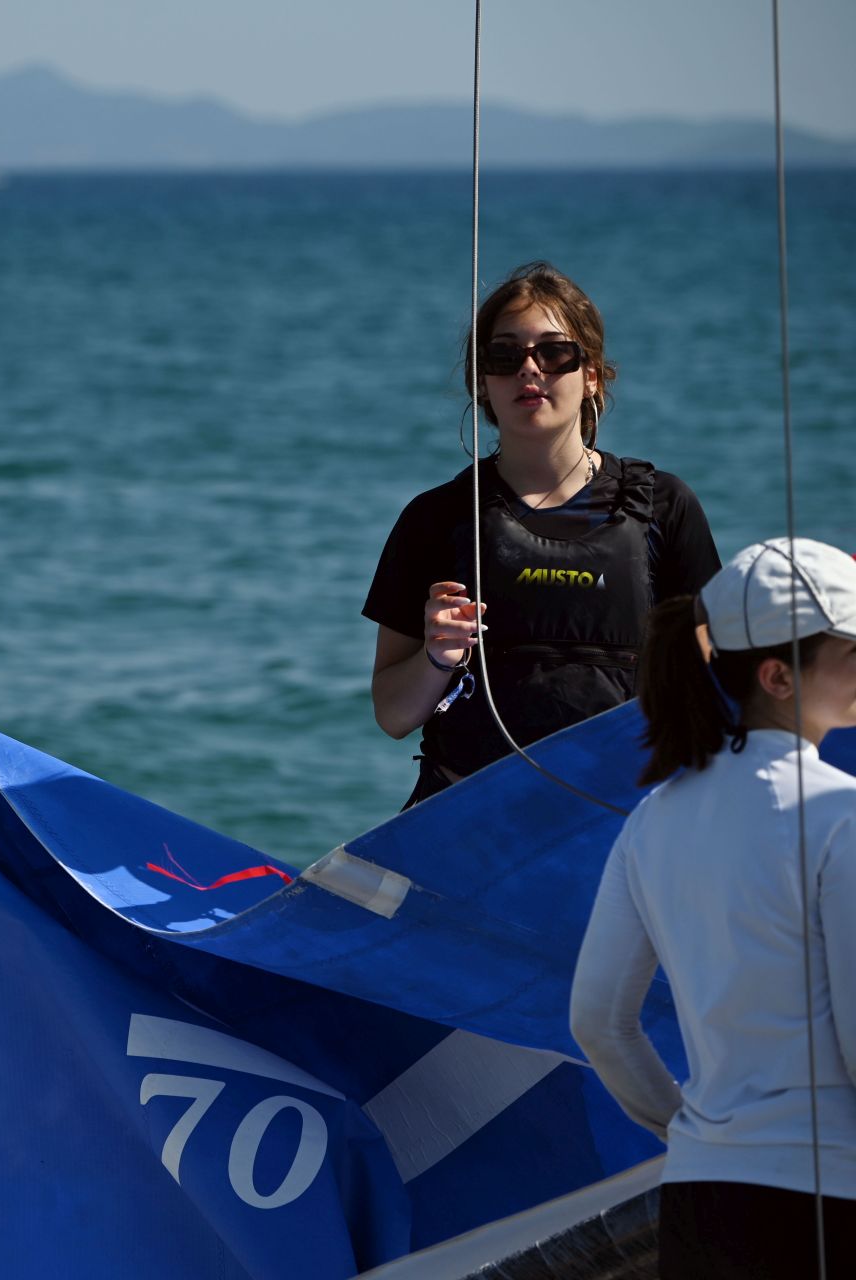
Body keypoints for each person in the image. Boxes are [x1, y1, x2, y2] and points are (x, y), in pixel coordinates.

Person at [570, 537, 856, 1277]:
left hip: (700, 1203)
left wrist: (698, 1131)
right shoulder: (842, 817)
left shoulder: (654, 817)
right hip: (829, 1204)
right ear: (777, 677)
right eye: (853, 649)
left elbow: (598, 1024)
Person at [363, 261, 721, 807]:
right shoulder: (436, 518)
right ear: (482, 382)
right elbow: (392, 715)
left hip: (613, 823)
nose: (530, 370)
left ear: (593, 373)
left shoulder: (665, 506)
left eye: (554, 353)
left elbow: (711, 692)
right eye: (505, 356)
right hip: (469, 820)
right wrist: (437, 656)